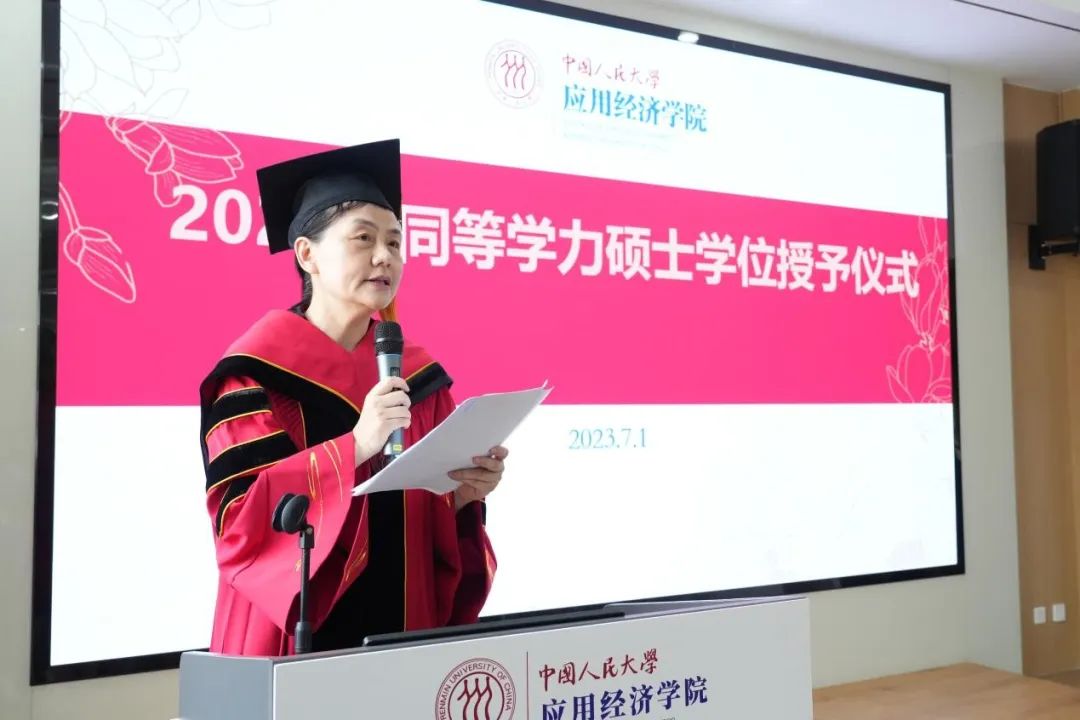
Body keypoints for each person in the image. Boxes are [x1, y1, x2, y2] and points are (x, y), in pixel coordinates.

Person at [197, 139, 506, 655]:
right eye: (363, 238)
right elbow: (241, 526)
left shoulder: (418, 378)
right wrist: (356, 446)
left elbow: (425, 530)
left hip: (399, 632)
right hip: (295, 638)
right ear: (307, 254)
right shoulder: (254, 375)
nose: (385, 256)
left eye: (395, 242)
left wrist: (461, 496)